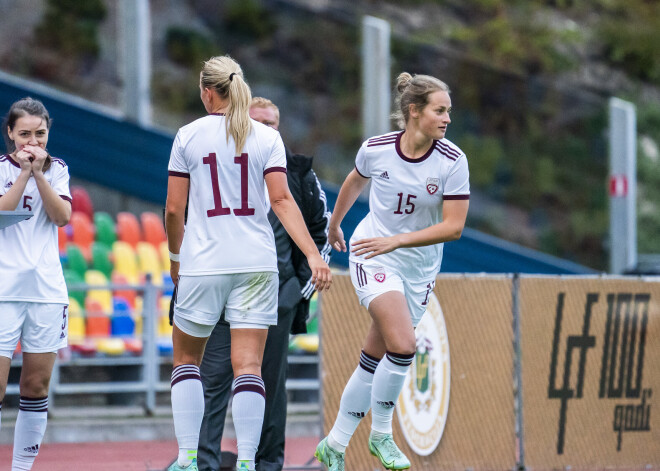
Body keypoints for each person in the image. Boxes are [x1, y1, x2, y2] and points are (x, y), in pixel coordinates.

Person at [165, 56, 332, 471]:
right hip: (257, 266)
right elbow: (281, 200)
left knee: (188, 361)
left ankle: (186, 458)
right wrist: (313, 254)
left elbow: (173, 210)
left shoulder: (188, 135)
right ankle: (244, 462)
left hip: (204, 262)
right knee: (250, 367)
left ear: (207, 92)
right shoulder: (267, 138)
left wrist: (175, 257)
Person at [315, 72, 470, 471]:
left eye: (449, 111)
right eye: (440, 110)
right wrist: (335, 224)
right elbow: (354, 181)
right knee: (402, 346)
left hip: (418, 267)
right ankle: (382, 434)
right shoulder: (377, 149)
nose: (447, 118)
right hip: (373, 254)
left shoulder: (452, 161)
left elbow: (453, 228)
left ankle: (334, 443)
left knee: (374, 356)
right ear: (414, 111)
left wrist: (399, 242)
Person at [0, 97, 72, 470]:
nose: (32, 141)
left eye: (40, 133)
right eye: (24, 133)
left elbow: (62, 216)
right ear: (10, 133)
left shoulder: (58, 169)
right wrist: (24, 173)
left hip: (46, 292)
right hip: (3, 292)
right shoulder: (0, 169)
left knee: (36, 387)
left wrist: (40, 174)